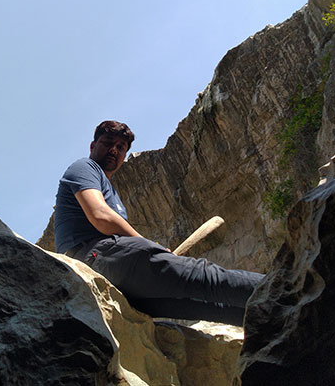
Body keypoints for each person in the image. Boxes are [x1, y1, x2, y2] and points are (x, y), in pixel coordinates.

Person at [54, 120, 265, 326]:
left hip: (118, 278)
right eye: (108, 143)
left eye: (121, 147)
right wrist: (150, 247)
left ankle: (281, 320)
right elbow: (100, 216)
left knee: (209, 307)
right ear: (93, 146)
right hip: (96, 257)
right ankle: (290, 288)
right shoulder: (84, 167)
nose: (114, 150)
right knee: (206, 278)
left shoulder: (110, 190)